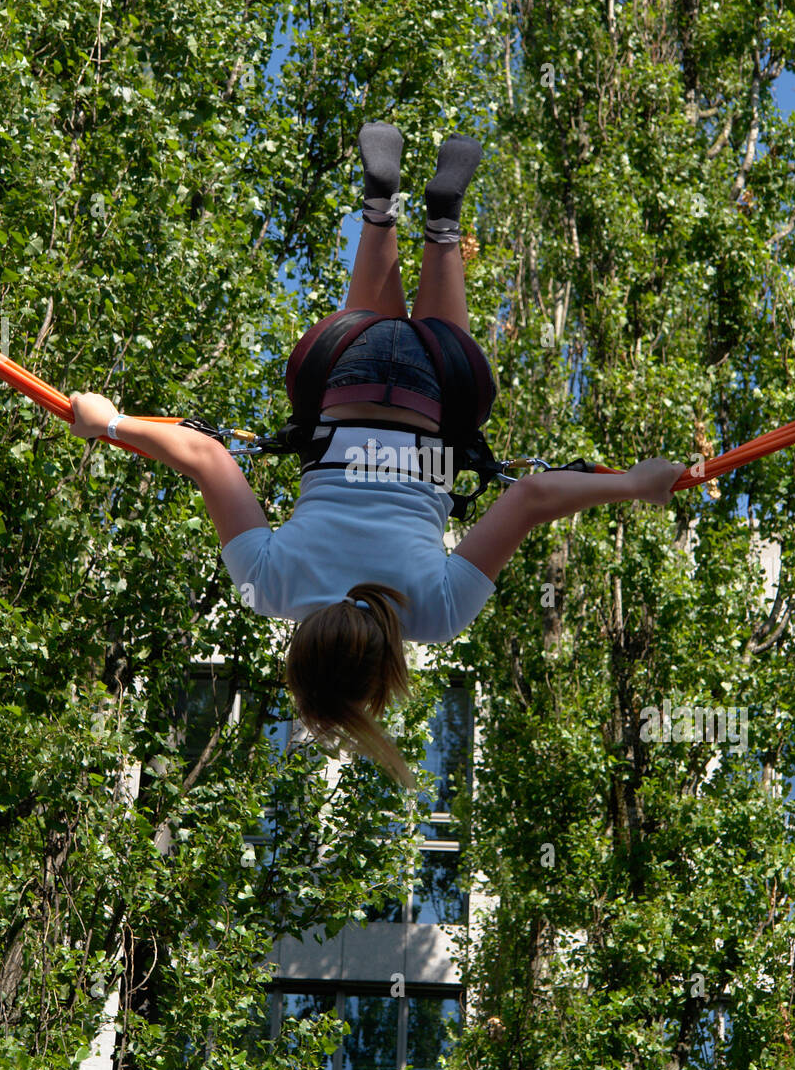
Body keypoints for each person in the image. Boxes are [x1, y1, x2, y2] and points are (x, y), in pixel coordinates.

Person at [69, 123, 685, 788]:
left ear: (387, 667)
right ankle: (379, 209)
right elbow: (209, 458)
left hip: (435, 395)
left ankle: (443, 224)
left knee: (441, 358)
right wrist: (110, 422)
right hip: (343, 370)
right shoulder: (268, 587)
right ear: (300, 654)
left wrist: (633, 484)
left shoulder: (438, 615)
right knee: (369, 334)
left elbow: (530, 497)